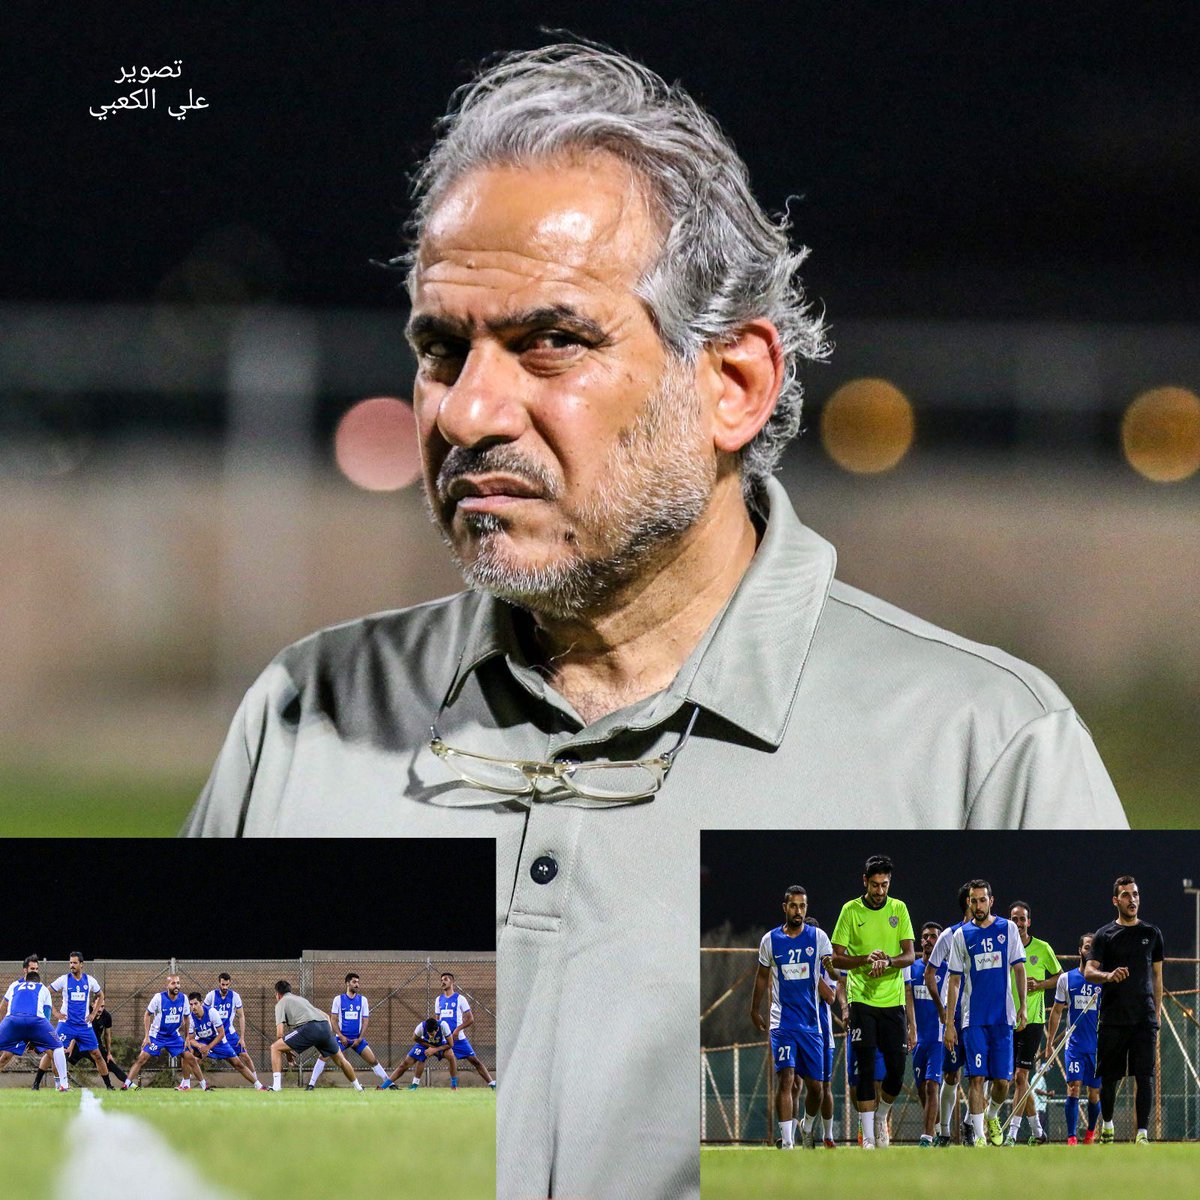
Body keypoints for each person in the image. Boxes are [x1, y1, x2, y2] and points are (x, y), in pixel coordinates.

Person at [182, 42, 1126, 1199]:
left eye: (551, 342)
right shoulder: (302, 718)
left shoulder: (982, 750)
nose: (468, 411)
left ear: (733, 384)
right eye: (441, 349)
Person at [829, 855, 915, 1149]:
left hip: (892, 1000)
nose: (880, 891)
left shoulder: (899, 909)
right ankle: (867, 1138)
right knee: (865, 1067)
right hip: (861, 999)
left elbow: (909, 955)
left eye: (885, 885)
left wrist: (888, 961)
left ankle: (881, 1117)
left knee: (897, 1069)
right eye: (875, 885)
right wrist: (865, 959)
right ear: (865, 881)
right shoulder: (850, 911)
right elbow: (836, 957)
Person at [944, 880, 1027, 1147]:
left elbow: (1019, 969)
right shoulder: (961, 935)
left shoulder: (1008, 928)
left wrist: (1023, 1006)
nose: (978, 905)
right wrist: (949, 1023)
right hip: (974, 1019)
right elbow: (954, 981)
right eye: (973, 900)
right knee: (976, 1078)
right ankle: (980, 1137)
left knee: (1003, 1081)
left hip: (1002, 1018)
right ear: (968, 903)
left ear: (991, 901)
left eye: (982, 900)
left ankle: (992, 1116)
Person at [750, 885, 832, 1149]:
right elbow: (762, 977)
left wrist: (838, 977)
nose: (798, 911)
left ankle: (807, 1127)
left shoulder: (818, 937)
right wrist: (754, 1009)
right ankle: (787, 1142)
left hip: (811, 1024)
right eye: (794, 906)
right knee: (786, 1078)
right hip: (782, 1022)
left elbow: (831, 969)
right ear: (785, 907)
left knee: (816, 1088)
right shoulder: (770, 940)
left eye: (803, 906)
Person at [1084, 875, 1163, 1145]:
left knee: (1145, 1076)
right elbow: (1089, 971)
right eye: (1126, 895)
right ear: (1115, 900)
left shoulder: (1152, 933)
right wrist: (1108, 975)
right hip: (1113, 1018)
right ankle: (1107, 1123)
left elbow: (1157, 976)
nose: (1132, 899)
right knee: (1109, 1078)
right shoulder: (1104, 935)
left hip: (1144, 1018)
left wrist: (1157, 1014)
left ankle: (1142, 1134)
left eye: (1136, 894)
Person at [1005, 903, 1061, 1146]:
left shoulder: (1042, 948)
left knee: (1020, 1076)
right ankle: (1038, 1131)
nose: (1018, 923)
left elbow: (1059, 977)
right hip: (1007, 1019)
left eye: (1022, 919)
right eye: (1014, 919)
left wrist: (1040, 984)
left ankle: (1011, 1133)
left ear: (1029, 921)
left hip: (1033, 1020)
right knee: (1015, 1079)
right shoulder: (1004, 947)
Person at [1045, 933, 1103, 1144]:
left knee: (1094, 1093)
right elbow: (1057, 1011)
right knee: (1073, 1087)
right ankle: (1071, 1138)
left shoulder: (1102, 980)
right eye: (1087, 947)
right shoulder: (1066, 979)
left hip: (1096, 1046)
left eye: (1093, 947)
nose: (1090, 951)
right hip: (1075, 1045)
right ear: (1080, 950)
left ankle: (1090, 1133)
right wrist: (1050, 1043)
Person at [926, 884, 972, 1145]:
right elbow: (929, 973)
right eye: (976, 899)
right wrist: (943, 1011)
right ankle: (944, 1131)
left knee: (982, 1075)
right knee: (951, 1075)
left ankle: (970, 1124)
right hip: (954, 1015)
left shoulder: (991, 933)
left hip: (979, 1013)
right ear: (968, 903)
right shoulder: (949, 935)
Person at [269, 980, 364, 1092]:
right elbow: (326, 1016)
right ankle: (359, 1088)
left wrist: (288, 1053)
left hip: (309, 1028)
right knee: (341, 1060)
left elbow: (279, 1034)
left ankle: (276, 1087)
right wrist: (328, 1033)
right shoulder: (301, 999)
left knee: (275, 1047)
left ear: (278, 994)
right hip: (324, 1027)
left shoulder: (281, 1002)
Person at [42, 952, 113, 1091]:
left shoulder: (90, 980)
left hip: (84, 1026)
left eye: (74, 963)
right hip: (66, 1025)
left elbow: (100, 995)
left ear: (81, 964)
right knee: (56, 1051)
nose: (72, 965)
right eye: (70, 963)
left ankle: (109, 1086)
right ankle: (59, 1084)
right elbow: (45, 992)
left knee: (97, 1055)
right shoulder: (64, 979)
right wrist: (55, 1013)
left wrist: (93, 1013)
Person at [311, 973, 391, 1089]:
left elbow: (365, 1021)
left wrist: (360, 1038)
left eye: (358, 982)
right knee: (323, 1056)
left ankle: (390, 1084)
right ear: (347, 983)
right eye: (354, 982)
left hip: (357, 1039)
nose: (357, 985)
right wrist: (340, 1035)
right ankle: (311, 1084)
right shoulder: (338, 999)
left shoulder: (363, 1000)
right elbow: (333, 1019)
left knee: (373, 1060)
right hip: (341, 1039)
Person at [124, 973, 200, 1089]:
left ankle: (192, 1085)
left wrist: (187, 1039)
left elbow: (186, 1018)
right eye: (173, 983)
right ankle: (127, 1083)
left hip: (173, 1036)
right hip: (157, 1035)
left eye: (178, 983)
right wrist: (146, 1036)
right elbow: (147, 1014)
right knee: (142, 1058)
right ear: (167, 985)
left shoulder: (184, 998)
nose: (176, 986)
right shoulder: (158, 998)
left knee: (188, 1056)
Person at [906, 922, 945, 1147]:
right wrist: (911, 1028)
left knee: (932, 1086)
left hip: (938, 1039)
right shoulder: (912, 969)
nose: (928, 940)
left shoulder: (947, 969)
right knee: (922, 1088)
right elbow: (908, 998)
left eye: (933, 937)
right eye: (925, 936)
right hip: (918, 1039)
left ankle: (927, 1137)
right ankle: (937, 1130)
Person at [0, 969, 70, 1089]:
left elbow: (5, 1005)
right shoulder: (42, 988)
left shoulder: (14, 986)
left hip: (12, 1020)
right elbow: (46, 1013)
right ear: (38, 981)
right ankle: (63, 1084)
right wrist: (36, 1037)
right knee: (58, 1046)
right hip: (35, 1020)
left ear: (26, 980)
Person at [185, 993, 261, 1088]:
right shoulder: (190, 1018)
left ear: (201, 1003)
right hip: (203, 1041)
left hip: (218, 1041)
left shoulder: (212, 1012)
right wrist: (200, 1046)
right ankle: (188, 1084)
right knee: (188, 1056)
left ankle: (259, 1085)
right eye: (191, 1004)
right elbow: (191, 1039)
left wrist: (208, 1047)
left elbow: (221, 1034)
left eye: (195, 1003)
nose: (193, 1007)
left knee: (238, 1064)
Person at [434, 971, 496, 1088]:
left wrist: (457, 1030)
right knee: (441, 1056)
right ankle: (452, 1085)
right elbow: (437, 1020)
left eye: (445, 979)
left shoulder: (460, 998)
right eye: (441, 980)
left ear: (452, 982)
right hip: (445, 1039)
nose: (442, 982)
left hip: (458, 1038)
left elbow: (470, 1019)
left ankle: (492, 1083)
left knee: (475, 1061)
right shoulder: (438, 999)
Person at [204, 972, 264, 1087]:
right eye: (223, 984)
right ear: (219, 983)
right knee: (198, 1056)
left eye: (227, 984)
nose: (225, 987)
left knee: (245, 1056)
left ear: (230, 983)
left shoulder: (235, 996)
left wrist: (242, 1037)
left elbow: (241, 1016)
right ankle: (187, 1082)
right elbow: (204, 1012)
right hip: (215, 1035)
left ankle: (256, 1081)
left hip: (229, 1034)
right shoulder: (211, 995)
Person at [61, 997, 131, 1088]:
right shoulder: (86, 1012)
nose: (100, 1009)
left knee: (110, 1063)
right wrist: (70, 1047)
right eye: (99, 1006)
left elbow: (107, 1035)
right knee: (61, 1056)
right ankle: (61, 1083)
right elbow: (77, 1029)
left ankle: (123, 1085)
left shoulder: (107, 1016)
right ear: (93, 1004)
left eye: (102, 1006)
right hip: (79, 1043)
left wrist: (109, 1053)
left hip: (95, 1045)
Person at [386, 1017, 459, 1090]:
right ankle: (385, 1086)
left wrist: (434, 1049)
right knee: (406, 1062)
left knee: (450, 1055)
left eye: (432, 1034)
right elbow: (415, 1038)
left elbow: (451, 1044)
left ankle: (454, 1085)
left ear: (437, 1030)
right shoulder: (421, 1027)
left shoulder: (443, 1025)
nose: (430, 1036)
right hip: (425, 1043)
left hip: (440, 1045)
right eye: (429, 1033)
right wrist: (429, 1046)